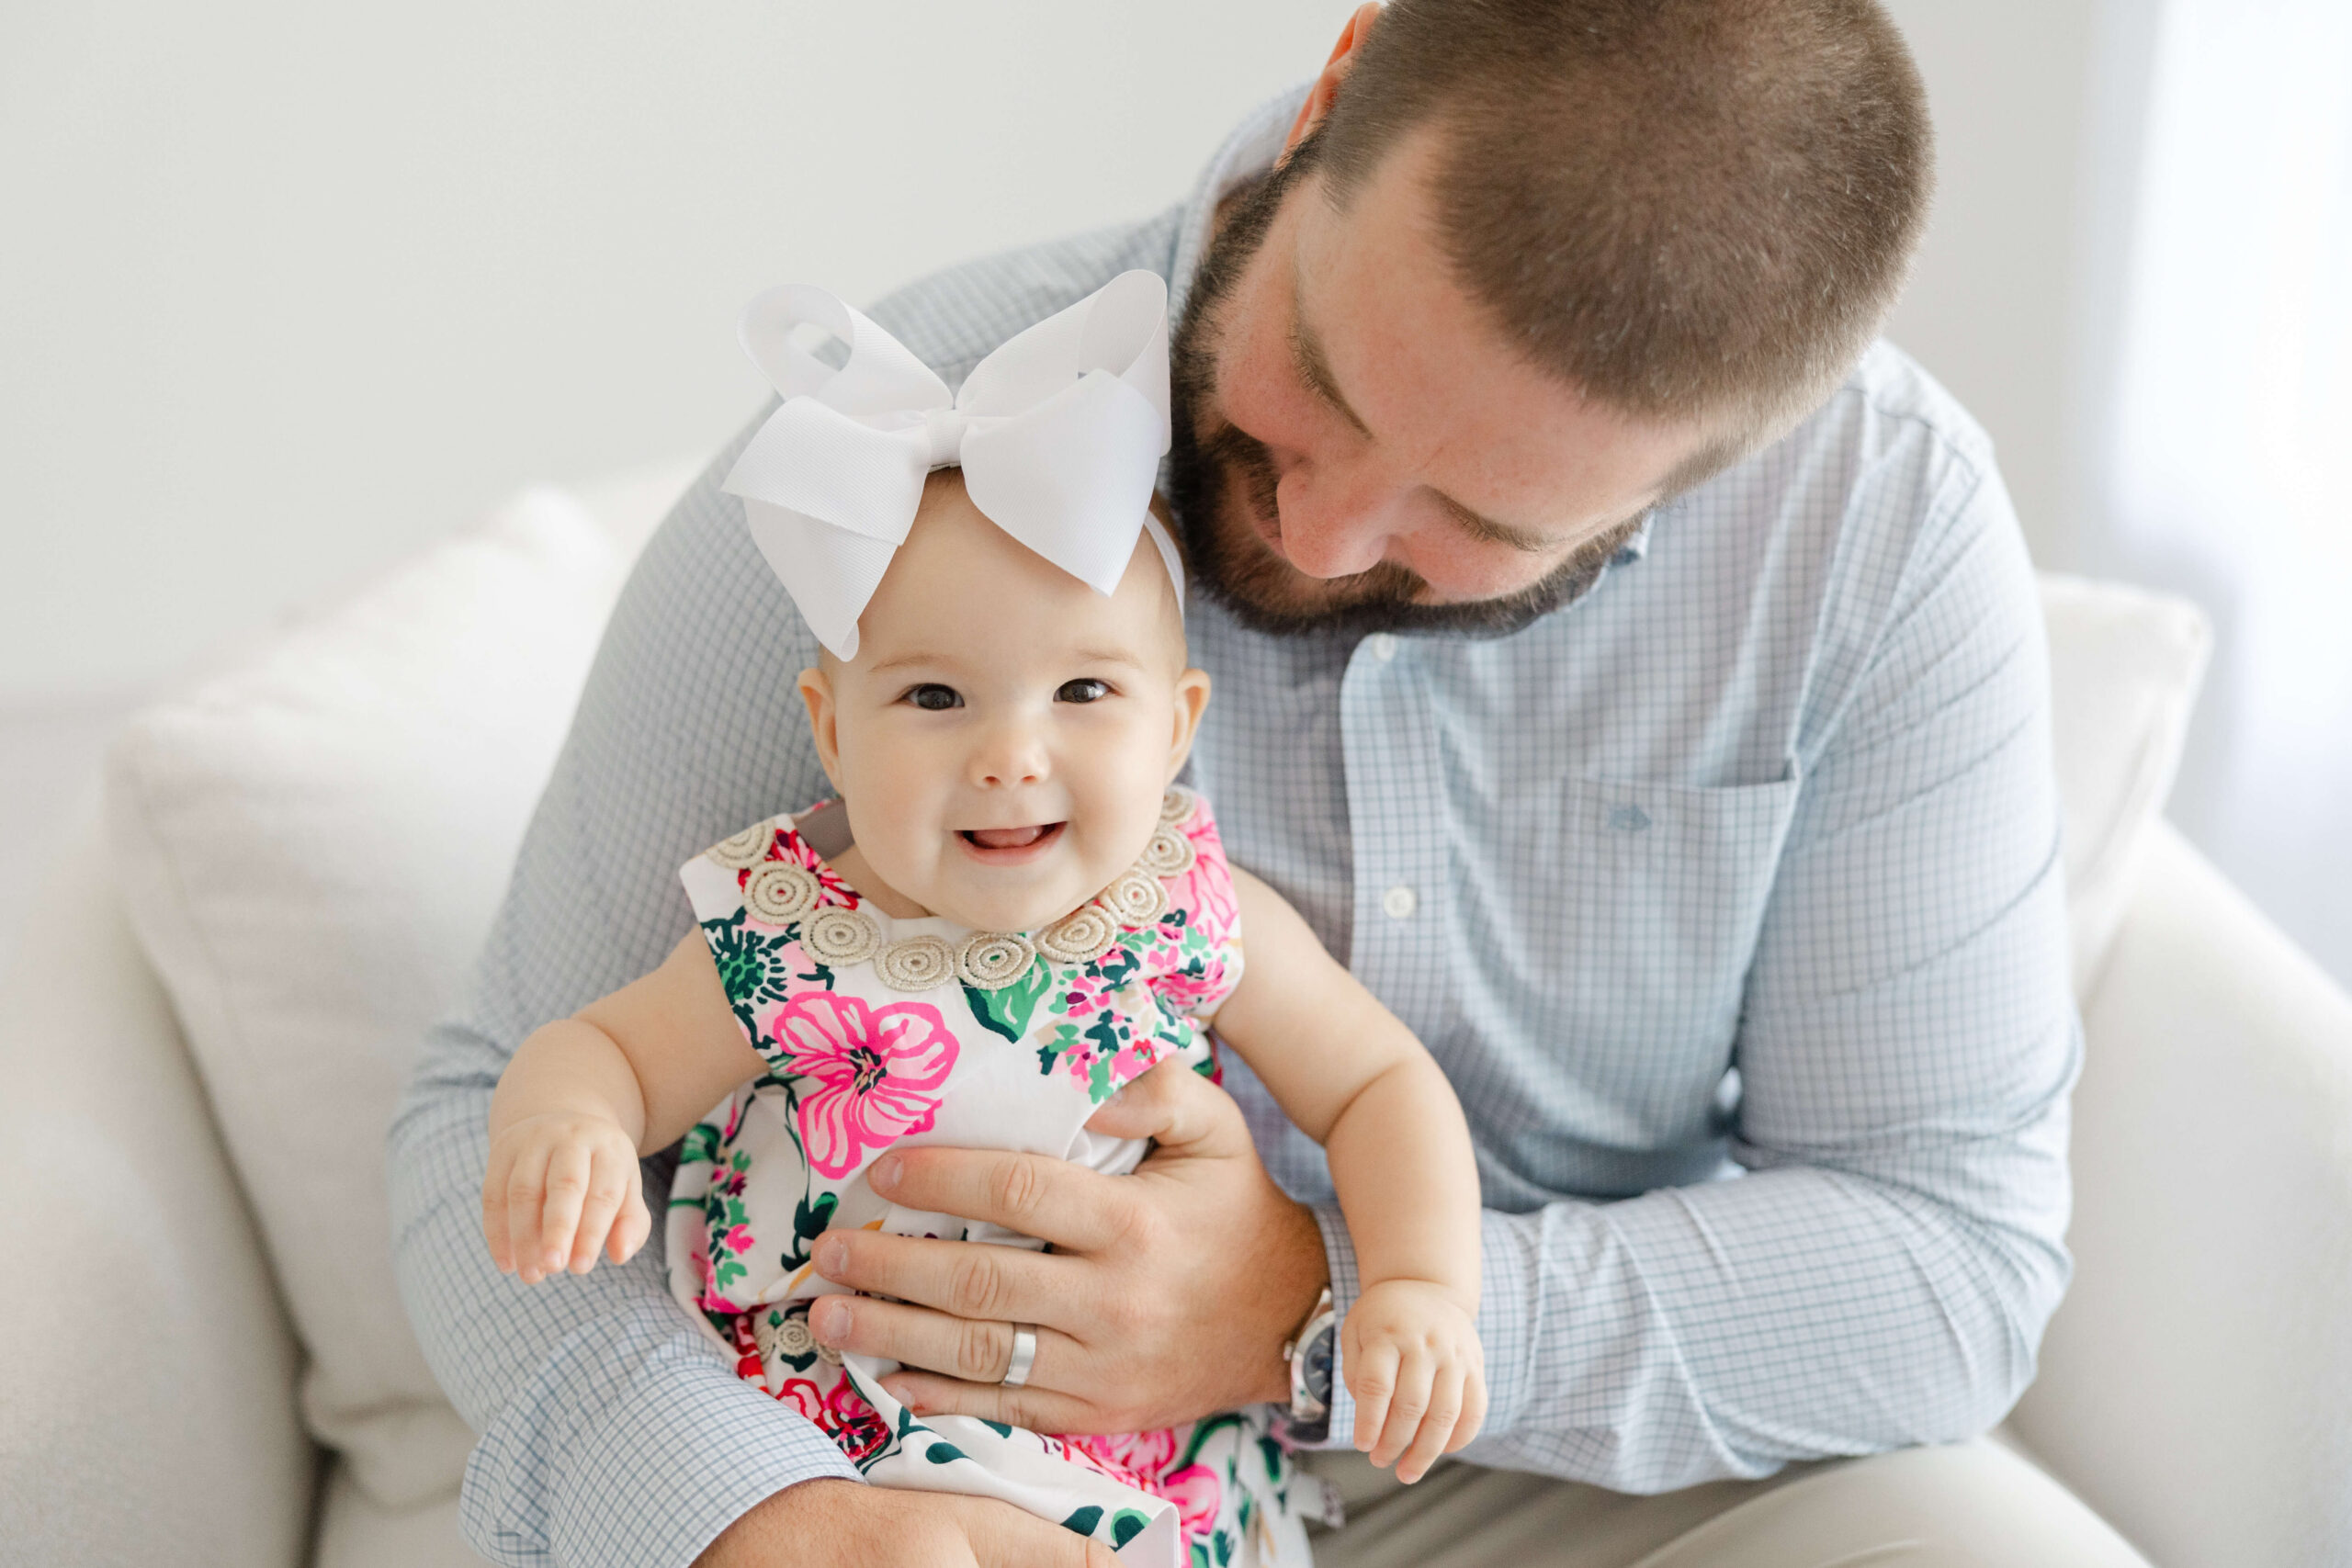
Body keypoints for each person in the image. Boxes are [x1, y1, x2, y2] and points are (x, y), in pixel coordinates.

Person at [391, 2, 2156, 1563]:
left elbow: (1945, 1259)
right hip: (901, 1452)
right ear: (1333, 92)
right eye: (1318, 380)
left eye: (1482, 525)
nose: (1320, 534)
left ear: (1709, 480)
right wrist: (755, 1515)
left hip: (1571, 1452)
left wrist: (1315, 1309)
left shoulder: (1876, 532)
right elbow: (499, 1097)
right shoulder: (906, 457)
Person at [474, 276, 1486, 1568]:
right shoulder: (792, 932)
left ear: (1176, 726)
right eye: (938, 697)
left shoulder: (1190, 910)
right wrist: (570, 1127)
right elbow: (606, 1050)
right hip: (843, 1456)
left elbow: (1380, 1085)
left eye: (1080, 690)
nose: (1012, 755)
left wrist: (1414, 1285)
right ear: (832, 733)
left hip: (1135, 1466)